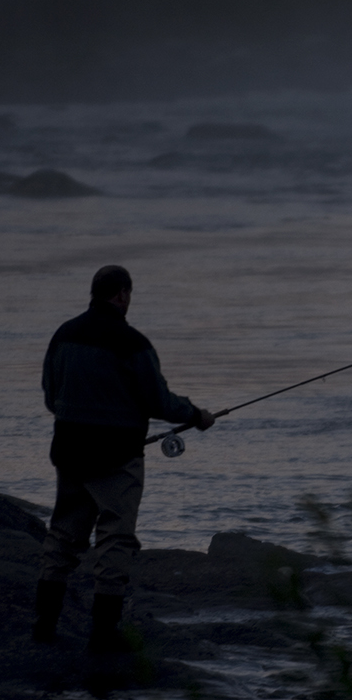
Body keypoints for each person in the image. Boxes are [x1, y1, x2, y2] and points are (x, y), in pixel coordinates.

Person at [32, 265, 215, 652]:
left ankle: (43, 626)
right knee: (116, 538)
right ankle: (103, 636)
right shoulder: (132, 343)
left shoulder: (63, 334)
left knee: (63, 536)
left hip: (69, 451)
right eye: (127, 294)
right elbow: (158, 402)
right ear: (121, 295)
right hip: (117, 458)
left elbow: (51, 396)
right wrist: (196, 416)